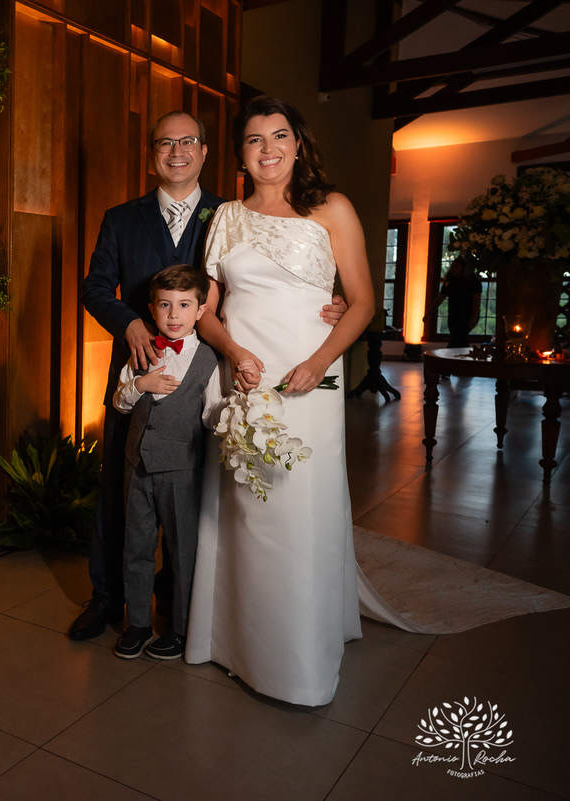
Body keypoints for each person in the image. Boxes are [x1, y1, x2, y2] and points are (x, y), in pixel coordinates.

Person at [74, 110, 348, 641]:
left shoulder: (232, 213)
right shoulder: (121, 218)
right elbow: (94, 289)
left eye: (188, 142)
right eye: (164, 143)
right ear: (152, 153)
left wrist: (325, 302)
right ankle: (108, 597)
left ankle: (181, 603)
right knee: (121, 487)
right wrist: (130, 323)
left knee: (197, 491)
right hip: (140, 373)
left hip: (212, 373)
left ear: (204, 152)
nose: (177, 152)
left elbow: (268, 280)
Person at [184, 95, 376, 706]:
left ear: (298, 143)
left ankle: (299, 659)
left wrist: (318, 362)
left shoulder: (333, 209)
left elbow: (363, 302)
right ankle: (235, 642)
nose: (269, 149)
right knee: (245, 509)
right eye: (254, 139)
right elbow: (204, 313)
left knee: (299, 508)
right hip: (243, 374)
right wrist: (234, 353)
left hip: (309, 375)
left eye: (280, 136)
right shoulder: (226, 218)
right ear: (239, 154)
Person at [111, 264, 222, 660]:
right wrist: (140, 384)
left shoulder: (209, 360)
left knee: (181, 550)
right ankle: (137, 622)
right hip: (136, 465)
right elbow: (120, 403)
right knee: (136, 546)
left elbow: (211, 416)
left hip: (181, 469)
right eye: (165, 306)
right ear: (151, 309)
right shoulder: (142, 353)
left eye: (184, 305)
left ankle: (180, 628)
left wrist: (231, 413)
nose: (174, 315)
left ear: (200, 311)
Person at [424, 257, 481, 349]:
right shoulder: (449, 282)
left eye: (456, 267)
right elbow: (440, 298)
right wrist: (428, 313)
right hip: (453, 316)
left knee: (457, 339)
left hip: (466, 315)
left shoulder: (473, 281)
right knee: (459, 340)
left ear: (463, 268)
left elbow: (476, 301)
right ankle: (461, 360)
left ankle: (448, 360)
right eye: (452, 266)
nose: (452, 269)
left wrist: (474, 317)